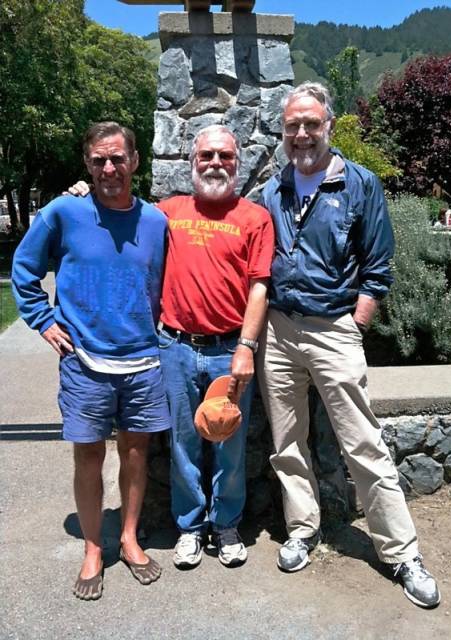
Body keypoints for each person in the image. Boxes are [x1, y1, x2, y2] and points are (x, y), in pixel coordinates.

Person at [256, 82, 441, 608]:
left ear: (329, 126)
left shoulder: (359, 183)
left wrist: (355, 323)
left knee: (364, 443)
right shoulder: (273, 189)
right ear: (283, 131)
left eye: (311, 123)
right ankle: (302, 529)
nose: (301, 134)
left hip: (334, 327)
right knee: (287, 442)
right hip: (278, 329)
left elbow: (377, 263)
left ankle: (402, 553)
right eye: (292, 125)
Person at [68, 124, 275, 569]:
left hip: (228, 350)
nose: (215, 163)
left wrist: (246, 347)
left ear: (237, 163)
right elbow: (118, 212)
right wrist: (85, 194)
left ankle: (226, 524)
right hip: (174, 347)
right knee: (182, 443)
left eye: (224, 156)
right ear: (192, 162)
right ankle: (190, 527)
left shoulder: (255, 218)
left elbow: (260, 287)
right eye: (207, 156)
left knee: (229, 442)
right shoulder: (166, 213)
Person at [12, 122, 170, 601]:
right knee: (88, 455)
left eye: (118, 158)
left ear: (135, 161)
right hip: (83, 361)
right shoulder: (64, 212)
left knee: (136, 452)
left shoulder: (156, 221)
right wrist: (43, 321)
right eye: (99, 160)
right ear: (87, 164)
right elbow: (24, 269)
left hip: (142, 361)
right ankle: (93, 547)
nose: (109, 168)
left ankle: (129, 538)